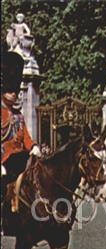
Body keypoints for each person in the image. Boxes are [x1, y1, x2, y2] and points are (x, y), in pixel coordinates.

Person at [2, 45, 41, 203]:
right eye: (11, 90)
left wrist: (33, 146)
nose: (15, 94)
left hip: (20, 159)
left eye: (16, 91)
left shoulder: (18, 115)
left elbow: (25, 136)